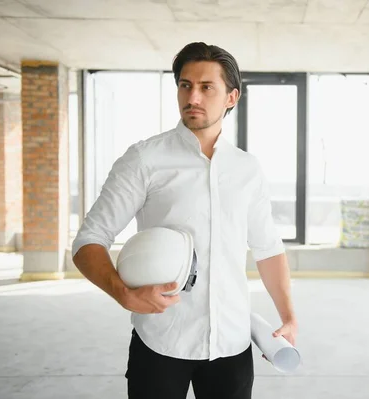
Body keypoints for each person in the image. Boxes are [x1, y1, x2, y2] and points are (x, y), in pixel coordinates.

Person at [72, 42, 298, 399]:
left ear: (231, 97)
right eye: (185, 85)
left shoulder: (247, 169)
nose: (193, 96)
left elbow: (267, 248)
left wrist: (287, 314)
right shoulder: (144, 159)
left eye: (207, 87)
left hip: (232, 344)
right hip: (161, 340)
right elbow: (89, 240)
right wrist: (123, 293)